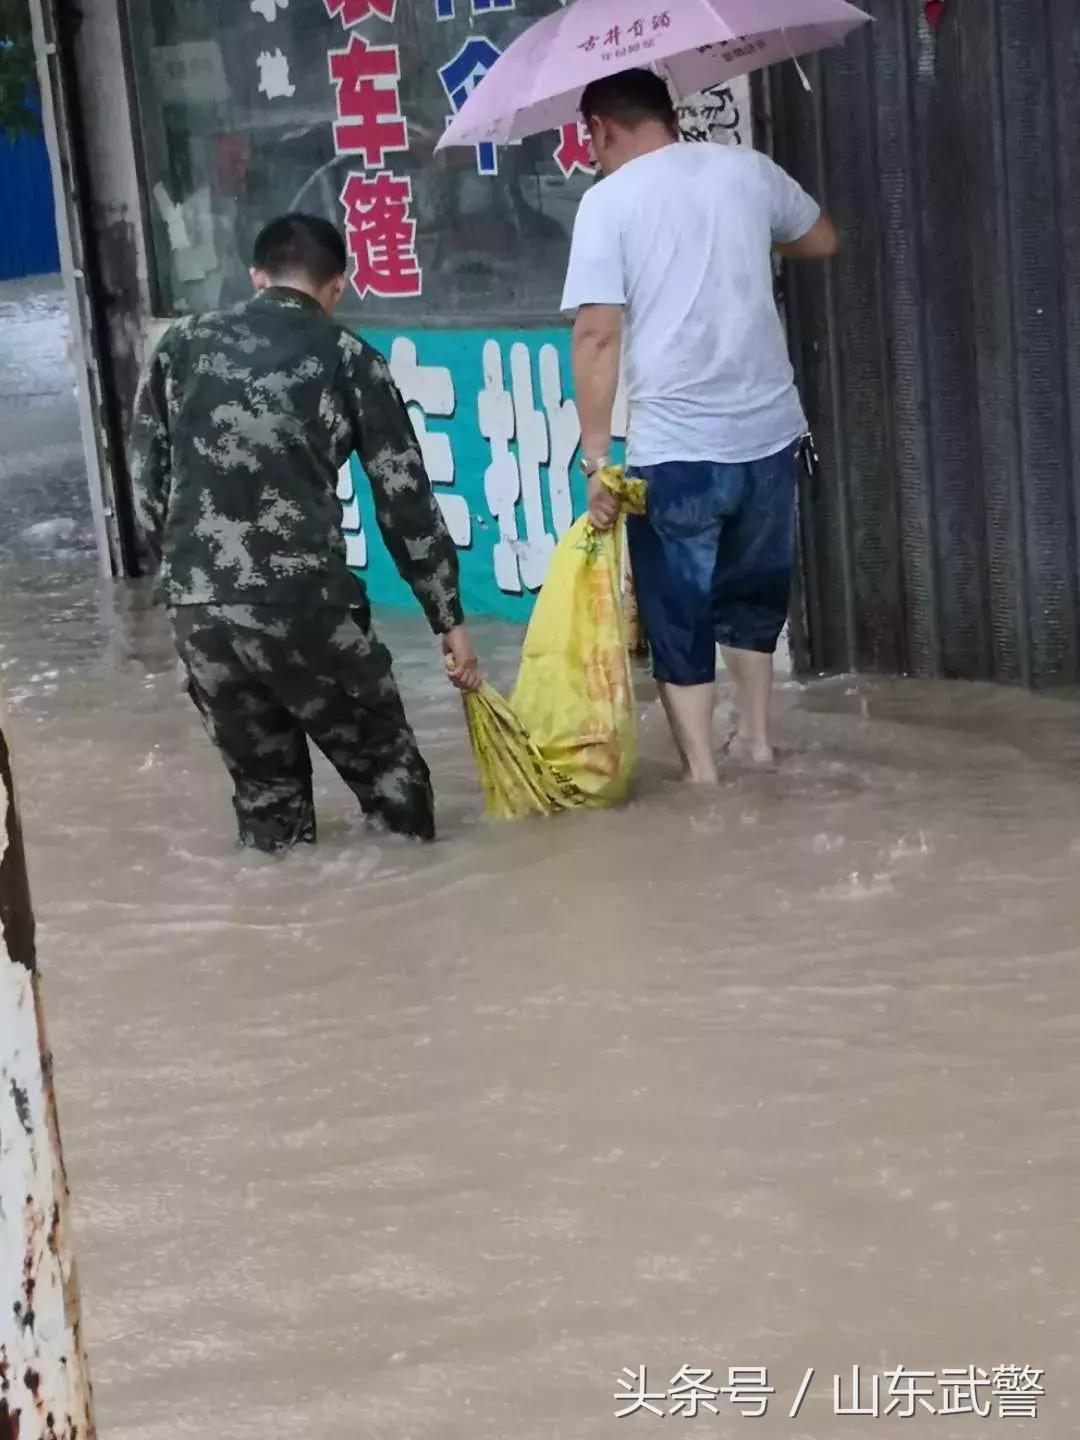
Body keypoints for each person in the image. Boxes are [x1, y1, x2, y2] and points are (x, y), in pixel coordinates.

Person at [129, 212, 481, 853]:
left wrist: (186, 579)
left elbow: (145, 481)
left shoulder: (180, 345)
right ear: (337, 286)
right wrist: (448, 618)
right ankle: (411, 937)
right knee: (394, 787)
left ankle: (288, 935)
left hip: (200, 615)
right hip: (307, 608)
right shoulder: (347, 357)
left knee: (269, 809)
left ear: (256, 277)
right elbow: (404, 503)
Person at [561, 70, 837, 782]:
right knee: (753, 596)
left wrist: (596, 461)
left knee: (678, 612)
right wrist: (738, 241)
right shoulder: (747, 171)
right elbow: (821, 240)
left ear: (600, 128)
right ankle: (757, 742)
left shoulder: (608, 201)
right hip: (769, 438)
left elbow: (596, 332)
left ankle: (704, 783)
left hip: (678, 454)